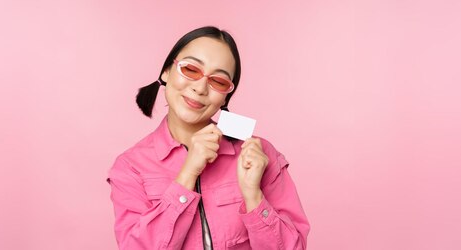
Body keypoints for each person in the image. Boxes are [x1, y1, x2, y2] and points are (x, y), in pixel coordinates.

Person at [107, 26, 310, 249]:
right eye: (191, 69)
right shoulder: (130, 167)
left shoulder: (259, 155)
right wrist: (187, 174)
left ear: (225, 97)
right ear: (166, 71)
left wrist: (254, 197)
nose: (201, 88)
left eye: (219, 82)